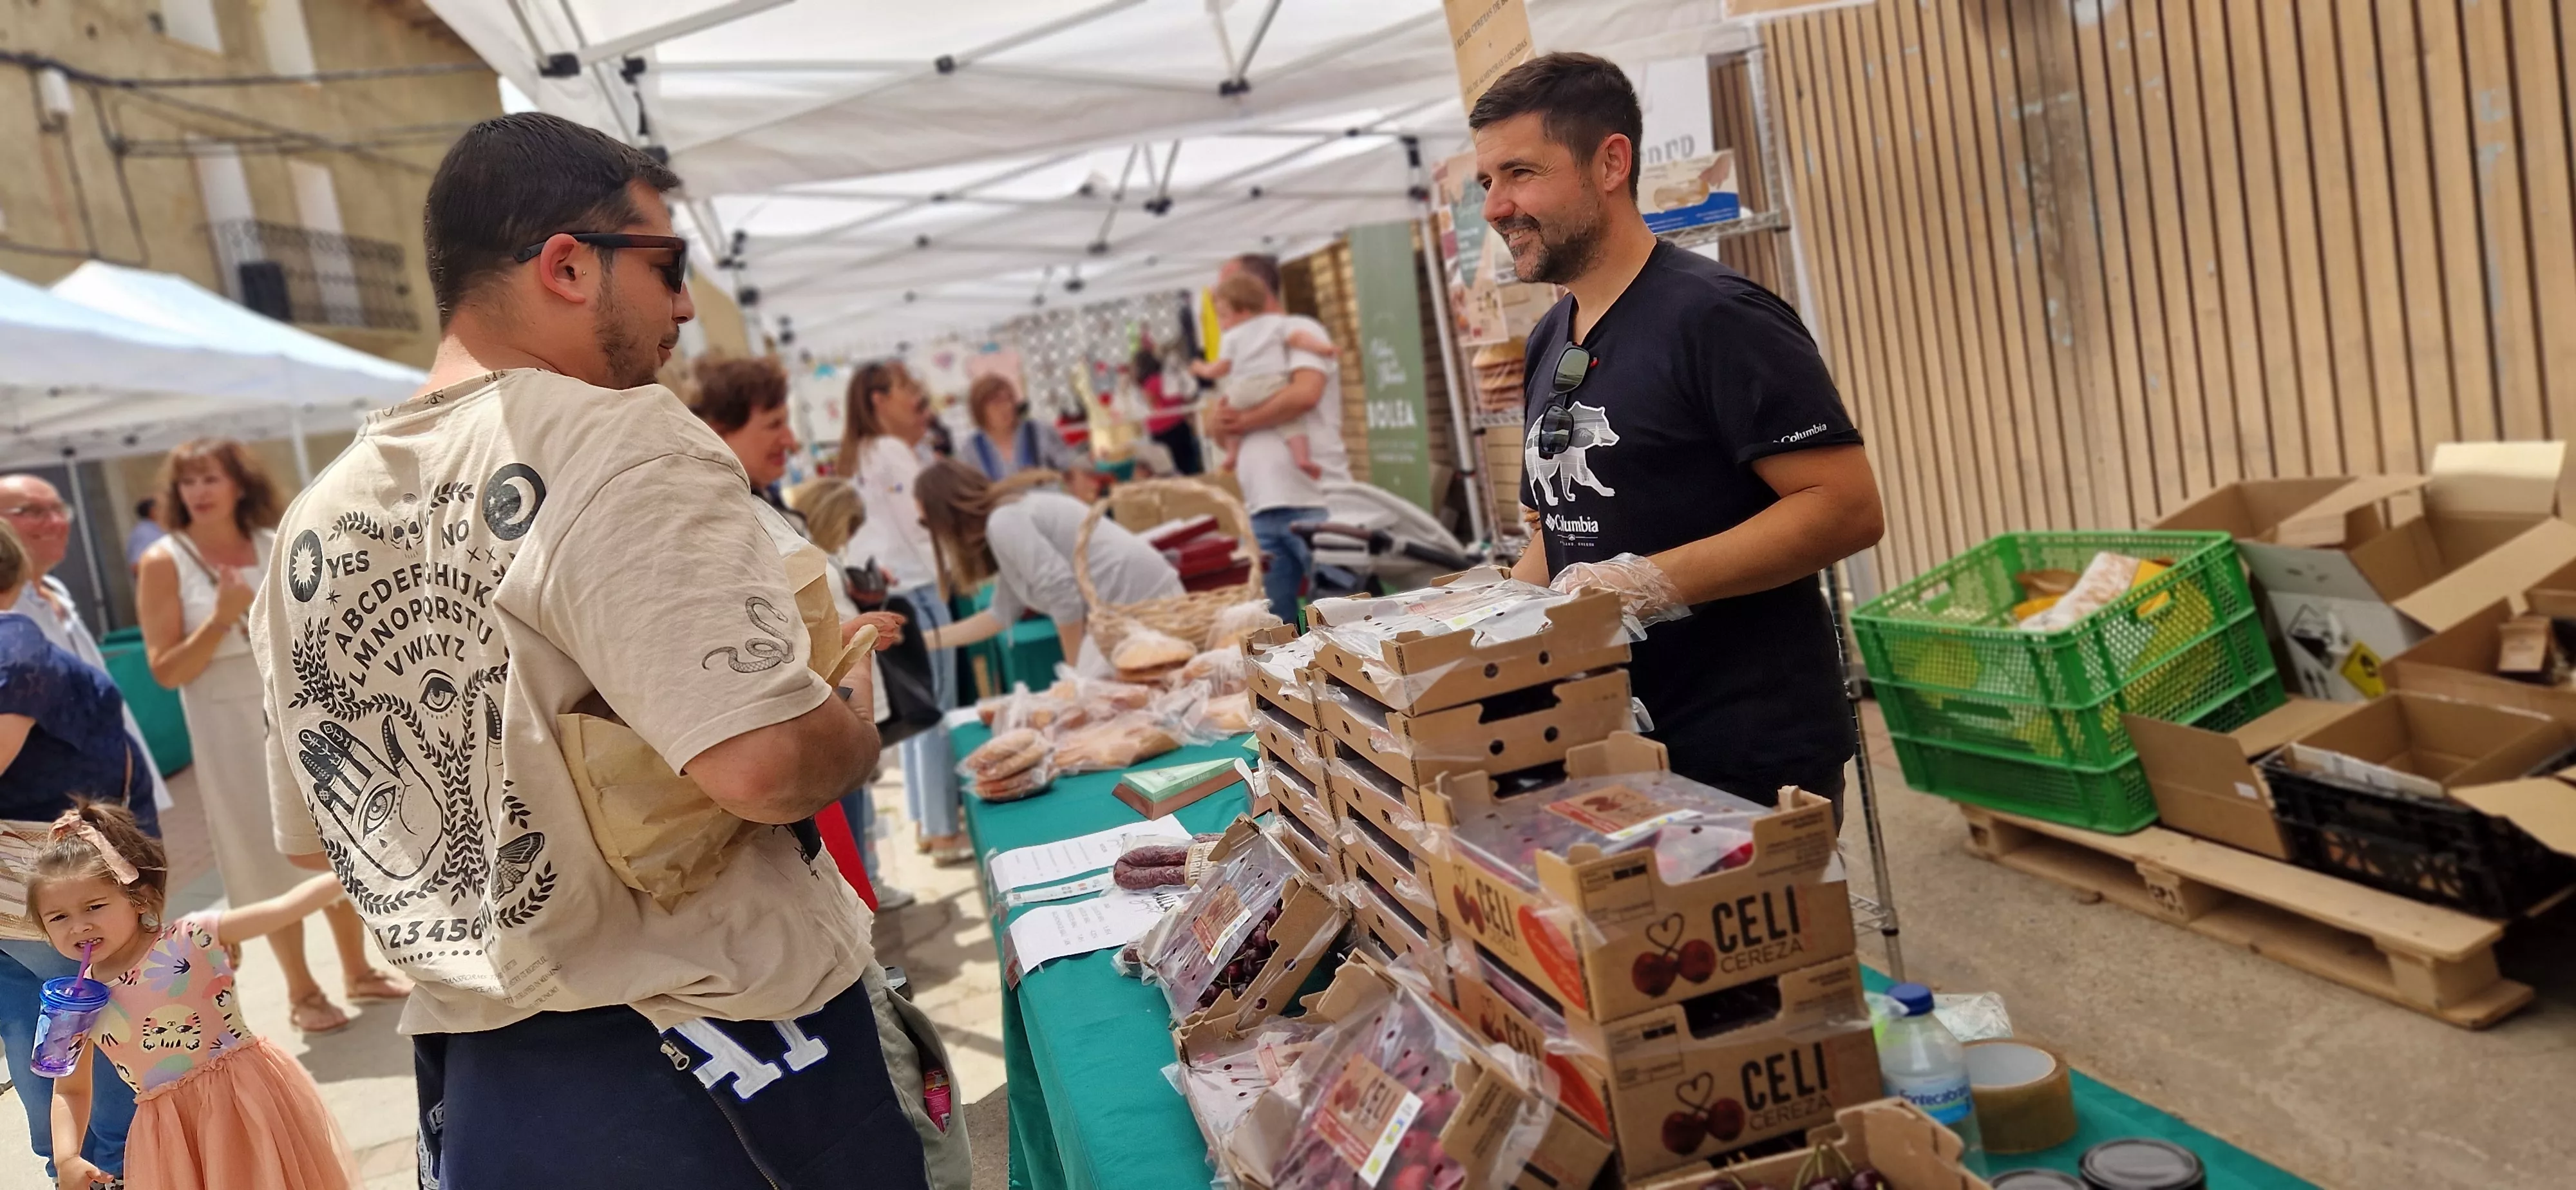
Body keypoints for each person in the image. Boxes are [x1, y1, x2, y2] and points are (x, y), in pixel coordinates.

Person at [247, 112, 925, 1188]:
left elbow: (311, 840)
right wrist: (847, 719)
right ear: (568, 263)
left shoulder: (309, 527)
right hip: (720, 1063)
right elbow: (759, 764)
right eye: (668, 264)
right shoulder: (615, 434)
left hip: (491, 1095)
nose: (684, 305)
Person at [1478, 54, 1884, 813]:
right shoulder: (1549, 338)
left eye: (1520, 174)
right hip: (1601, 740)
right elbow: (1564, 531)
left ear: (1610, 162)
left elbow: (1845, 506)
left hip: (1741, 753)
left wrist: (1645, 582)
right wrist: (1484, 624)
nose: (1496, 208)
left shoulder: (1715, 316)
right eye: (1486, 184)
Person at [135, 439, 406, 1036]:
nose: (199, 492)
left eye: (210, 478)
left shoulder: (272, 542)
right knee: (260, 853)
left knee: (333, 836)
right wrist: (219, 615)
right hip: (226, 726)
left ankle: (358, 971)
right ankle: (301, 990)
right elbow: (165, 670)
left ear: (239, 483)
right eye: (188, 482)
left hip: (297, 711)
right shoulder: (164, 559)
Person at [32, 802, 360, 1190]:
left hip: (246, 1106)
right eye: (59, 918)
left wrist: (357, 869)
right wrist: (67, 1156)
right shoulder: (76, 1001)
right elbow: (70, 1088)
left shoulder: (189, 939)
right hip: (170, 1136)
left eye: (95, 906)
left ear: (138, 900)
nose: (80, 926)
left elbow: (284, 909)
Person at [688, 357, 911, 907]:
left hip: (824, 716)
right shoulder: (718, 521)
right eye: (773, 425)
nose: (791, 439)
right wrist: (847, 642)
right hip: (805, 728)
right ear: (720, 431)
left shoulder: (754, 503)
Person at [0, 520, 144, 1183]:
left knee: (54, 1062)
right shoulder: (18, 646)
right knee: (92, 1084)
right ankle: (85, 1169)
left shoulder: (16, 648)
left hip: (37, 897)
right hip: (47, 895)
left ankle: (70, 1170)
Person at [837, 361, 969, 865]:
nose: (914, 398)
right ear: (877, 398)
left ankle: (926, 820)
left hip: (885, 590)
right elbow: (925, 522)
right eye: (904, 389)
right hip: (915, 587)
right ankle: (939, 828)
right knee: (935, 706)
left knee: (917, 705)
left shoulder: (859, 456)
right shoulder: (889, 451)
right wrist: (947, 575)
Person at [913, 458, 1182, 677]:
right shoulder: (1007, 516)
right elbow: (1001, 614)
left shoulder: (1004, 522)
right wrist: (923, 640)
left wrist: (1076, 674)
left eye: (927, 523)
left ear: (947, 515)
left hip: (1139, 607)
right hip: (1138, 605)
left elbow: (1063, 595)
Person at [0, 476, 170, 818]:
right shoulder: (11, 630)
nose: (55, 522)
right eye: (31, 511)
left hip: (117, 805)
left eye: (59, 509)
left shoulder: (56, 589)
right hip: (60, 831)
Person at [1202, 254, 1352, 624]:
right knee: (1275, 629)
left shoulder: (1297, 328)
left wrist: (1242, 420)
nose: (1221, 306)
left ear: (1255, 290)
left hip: (1316, 502)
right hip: (1260, 509)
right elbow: (1219, 421)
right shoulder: (1240, 343)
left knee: (1340, 621)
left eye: (1227, 295)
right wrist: (1220, 423)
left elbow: (1304, 395)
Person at [1193, 272, 1341, 480]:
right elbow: (1299, 339)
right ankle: (1301, 457)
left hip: (1313, 494)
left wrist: (1201, 369)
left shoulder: (1233, 336)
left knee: (1241, 416)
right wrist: (1324, 348)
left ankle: (1233, 455)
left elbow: (1305, 395)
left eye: (1222, 314)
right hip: (1273, 385)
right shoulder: (1276, 326)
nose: (1220, 322)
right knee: (1292, 425)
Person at [959, 374, 1079, 482]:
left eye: (1008, 400)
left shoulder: (1040, 431)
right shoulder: (971, 449)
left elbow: (1070, 469)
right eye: (996, 403)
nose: (1006, 407)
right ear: (980, 411)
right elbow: (971, 493)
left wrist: (1047, 475)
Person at [1136, 339, 1202, 476]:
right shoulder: (1168, 378)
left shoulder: (1150, 384)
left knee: (1170, 469)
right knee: (1189, 464)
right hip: (1179, 423)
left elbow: (1150, 406)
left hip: (1162, 430)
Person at [123, 498, 164, 570]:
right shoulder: (145, 532)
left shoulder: (156, 529)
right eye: (159, 508)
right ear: (152, 511)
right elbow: (136, 565)